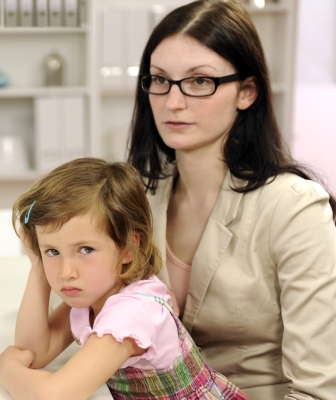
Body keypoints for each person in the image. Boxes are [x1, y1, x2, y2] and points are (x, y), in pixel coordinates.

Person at [126, 0, 336, 398]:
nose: (172, 102)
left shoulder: (294, 207)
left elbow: (318, 390)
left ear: (247, 91)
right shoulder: (138, 196)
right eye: (159, 79)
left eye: (200, 81)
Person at [0, 158, 249, 400]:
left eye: (85, 250)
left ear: (128, 247)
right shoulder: (93, 292)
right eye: (53, 251)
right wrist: (38, 267)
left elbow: (53, 395)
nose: (65, 272)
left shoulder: (129, 314)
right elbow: (33, 352)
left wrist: (6, 369)